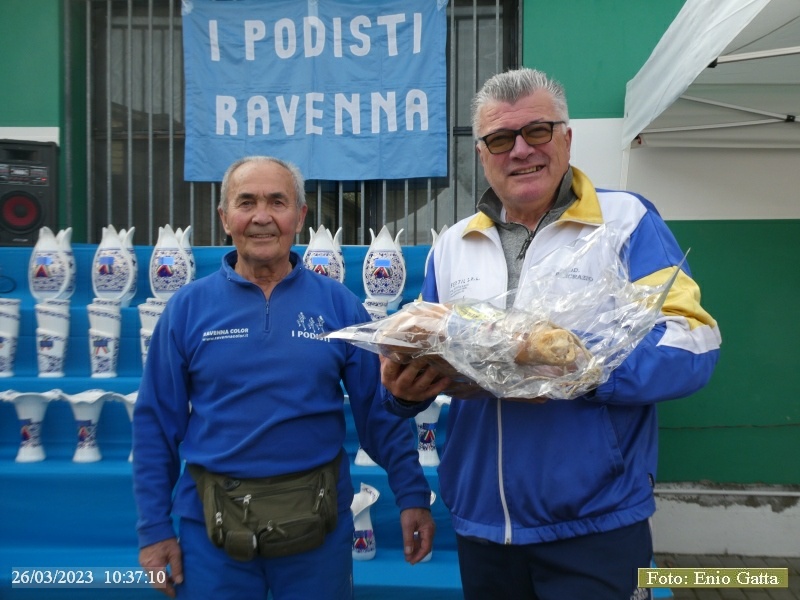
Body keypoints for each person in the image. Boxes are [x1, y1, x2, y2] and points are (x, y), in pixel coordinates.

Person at [380, 68, 721, 600]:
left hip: (594, 523)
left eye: (537, 131)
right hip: (482, 524)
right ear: (482, 154)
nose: (520, 150)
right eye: (500, 138)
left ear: (566, 138)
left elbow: (693, 341)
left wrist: (582, 369)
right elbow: (430, 353)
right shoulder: (452, 245)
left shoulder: (625, 221)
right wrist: (405, 393)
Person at [132, 156, 435, 600]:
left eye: (277, 202)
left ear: (300, 216)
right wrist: (154, 529)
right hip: (212, 533)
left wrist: (411, 493)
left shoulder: (339, 306)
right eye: (246, 202)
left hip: (318, 530)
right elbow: (156, 424)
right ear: (224, 218)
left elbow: (377, 413)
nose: (262, 217)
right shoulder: (187, 309)